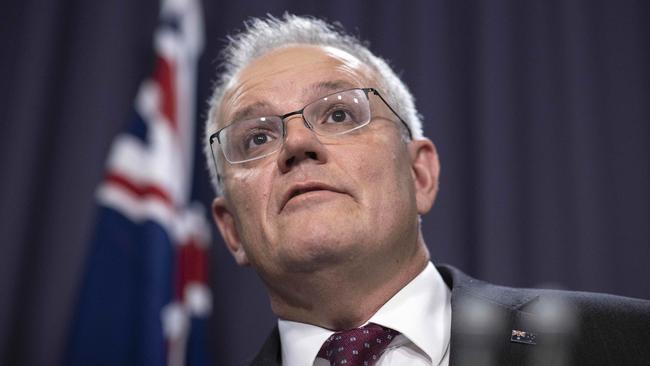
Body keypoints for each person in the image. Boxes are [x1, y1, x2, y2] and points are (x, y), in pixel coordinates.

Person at [203, 14, 650, 366]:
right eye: (256, 138)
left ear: (420, 175)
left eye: (339, 115)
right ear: (232, 231)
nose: (297, 144)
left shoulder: (629, 342)